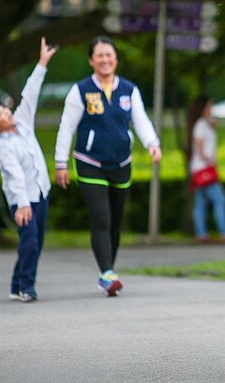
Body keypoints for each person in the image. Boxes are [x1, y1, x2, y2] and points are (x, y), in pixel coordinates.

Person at [54, 35, 162, 297]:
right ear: (91, 60)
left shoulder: (128, 89)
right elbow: (66, 127)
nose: (104, 60)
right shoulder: (81, 91)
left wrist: (152, 142)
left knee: (114, 220)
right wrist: (61, 162)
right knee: (101, 217)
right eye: (99, 55)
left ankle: (108, 270)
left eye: (109, 55)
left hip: (121, 163)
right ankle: (106, 273)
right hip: (89, 162)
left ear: (115, 59)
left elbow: (141, 121)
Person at [0, 37, 58, 302]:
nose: (8, 114)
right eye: (1, 115)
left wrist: (42, 63)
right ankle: (24, 286)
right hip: (23, 201)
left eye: (5, 110)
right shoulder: (3, 147)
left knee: (36, 242)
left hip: (39, 194)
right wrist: (22, 204)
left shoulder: (22, 123)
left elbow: (30, 94)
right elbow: (14, 176)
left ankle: (17, 284)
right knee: (29, 242)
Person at [186, 95, 225, 242]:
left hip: (198, 168)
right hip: (204, 168)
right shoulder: (200, 125)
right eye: (209, 106)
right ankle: (224, 232)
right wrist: (209, 160)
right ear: (203, 108)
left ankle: (201, 233)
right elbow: (199, 146)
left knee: (201, 202)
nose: (211, 109)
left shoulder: (202, 123)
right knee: (220, 200)